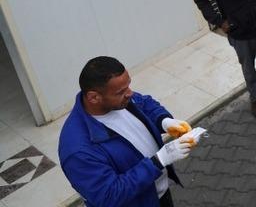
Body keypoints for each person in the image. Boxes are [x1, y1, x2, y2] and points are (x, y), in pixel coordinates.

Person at [59, 56, 194, 207]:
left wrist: (163, 121)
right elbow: (109, 196)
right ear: (94, 97)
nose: (130, 93)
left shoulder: (120, 100)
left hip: (157, 195)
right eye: (121, 91)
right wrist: (159, 161)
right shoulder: (77, 151)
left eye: (128, 85)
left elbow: (144, 103)